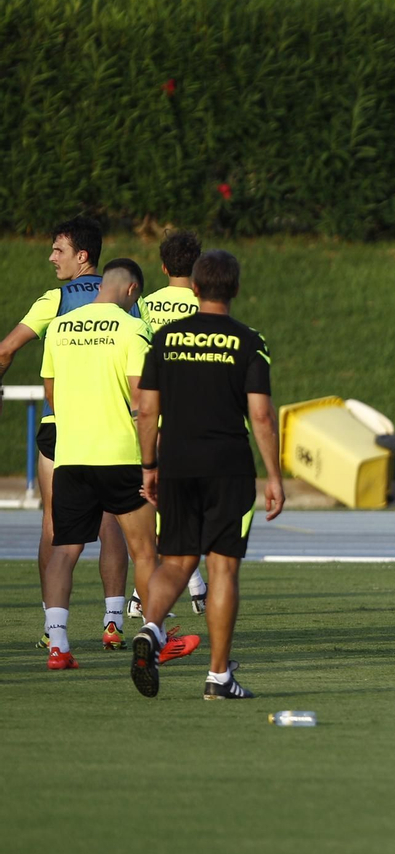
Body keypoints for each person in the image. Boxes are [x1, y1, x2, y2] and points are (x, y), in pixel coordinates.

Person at [130, 250, 284, 698]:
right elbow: (261, 416)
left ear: (194, 288)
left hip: (176, 462)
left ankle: (152, 630)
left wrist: (149, 465)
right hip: (227, 467)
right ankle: (218, 677)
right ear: (234, 290)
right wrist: (274, 475)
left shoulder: (165, 339)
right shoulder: (249, 341)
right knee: (223, 570)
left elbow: (146, 410)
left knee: (176, 561)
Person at [40, 259, 197, 671]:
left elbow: (50, 390)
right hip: (122, 455)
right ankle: (154, 637)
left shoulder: (60, 328)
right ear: (131, 292)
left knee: (64, 550)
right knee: (144, 552)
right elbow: (141, 402)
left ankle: (58, 644)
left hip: (72, 455)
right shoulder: (133, 328)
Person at [0, 216, 132, 650]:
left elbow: (6, 348)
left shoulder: (55, 299)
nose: (51, 256)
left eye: (58, 249)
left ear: (82, 256)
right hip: (113, 430)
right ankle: (114, 621)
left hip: (61, 431)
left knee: (54, 528)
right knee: (112, 522)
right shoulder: (127, 297)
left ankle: (52, 629)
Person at [139, 228, 209, 616]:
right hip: (194, 414)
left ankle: (145, 592)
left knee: (155, 498)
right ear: (197, 266)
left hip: (152, 408)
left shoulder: (145, 304)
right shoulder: (205, 303)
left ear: (163, 265)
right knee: (190, 501)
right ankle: (195, 586)